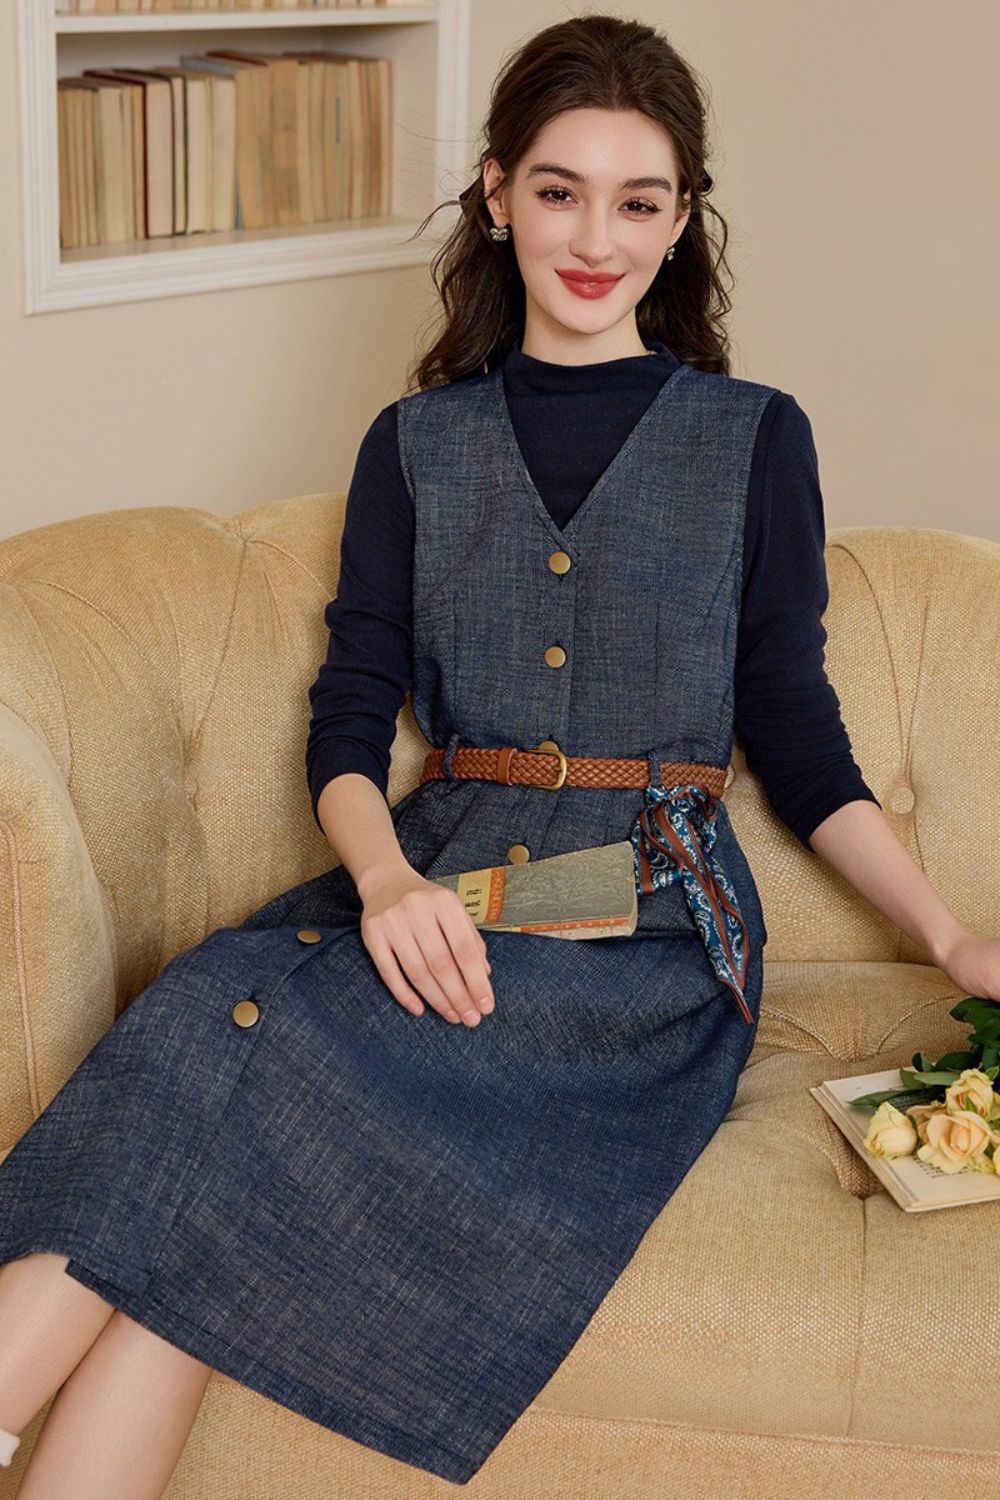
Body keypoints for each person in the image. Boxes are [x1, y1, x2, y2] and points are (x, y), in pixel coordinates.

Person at [1, 13, 997, 1495]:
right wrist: (391, 882)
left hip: (643, 937)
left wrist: (953, 933)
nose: (595, 237)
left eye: (638, 201)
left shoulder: (753, 440)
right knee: (189, 1203)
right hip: (442, 887)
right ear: (496, 195)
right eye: (558, 189)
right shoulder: (414, 444)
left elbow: (797, 736)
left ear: (681, 224)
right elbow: (349, 719)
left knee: (230, 1076)